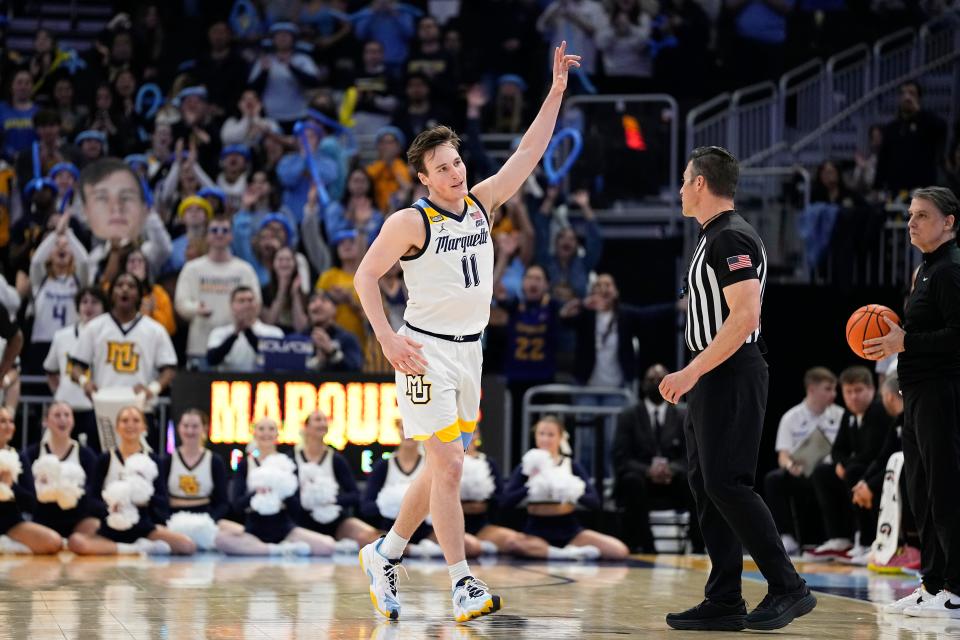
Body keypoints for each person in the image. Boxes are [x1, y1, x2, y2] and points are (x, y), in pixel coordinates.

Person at [352, 41, 581, 623]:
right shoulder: (410, 221)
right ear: (424, 178)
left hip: (471, 353)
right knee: (450, 467)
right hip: (424, 354)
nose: (456, 172)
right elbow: (365, 277)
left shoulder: (482, 203)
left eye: (458, 162)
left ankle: (385, 554)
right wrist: (387, 337)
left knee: (439, 467)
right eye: (444, 167)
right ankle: (461, 583)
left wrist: (554, 91)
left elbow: (530, 150)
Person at [659, 146, 814, 631]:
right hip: (715, 372)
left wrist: (690, 372)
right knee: (707, 486)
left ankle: (789, 587)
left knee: (728, 482)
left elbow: (746, 315)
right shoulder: (714, 237)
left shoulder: (730, 237)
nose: (681, 189)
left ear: (701, 184)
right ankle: (725, 597)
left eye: (686, 180)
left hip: (731, 370)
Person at [864, 186, 960, 618]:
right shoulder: (925, 270)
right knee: (921, 490)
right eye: (910, 214)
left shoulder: (950, 271)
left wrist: (908, 341)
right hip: (917, 392)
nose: (911, 222)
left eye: (922, 214)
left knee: (945, 491)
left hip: (943, 393)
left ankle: (956, 589)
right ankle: (933, 584)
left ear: (949, 223)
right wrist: (895, 343)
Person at [70, 273, 178, 451]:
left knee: (141, 468)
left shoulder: (154, 330)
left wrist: (153, 389)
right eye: (120, 285)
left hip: (141, 409)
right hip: (103, 409)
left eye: (131, 286)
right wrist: (85, 382)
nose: (125, 289)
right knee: (102, 468)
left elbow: (170, 369)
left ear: (140, 294)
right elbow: (76, 366)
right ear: (111, 293)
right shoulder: (95, 327)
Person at [67, 406, 196, 556]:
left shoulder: (153, 460)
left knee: (187, 545)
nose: (130, 425)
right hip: (111, 526)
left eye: (136, 420)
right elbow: (92, 499)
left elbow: (162, 501)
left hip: (143, 527)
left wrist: (143, 499)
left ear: (144, 427)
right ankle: (134, 549)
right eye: (124, 421)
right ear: (117, 427)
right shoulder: (105, 459)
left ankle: (132, 545)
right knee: (76, 542)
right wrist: (112, 506)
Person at [502, 416, 629, 560]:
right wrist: (529, 486)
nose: (545, 439)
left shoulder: (570, 465)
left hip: (569, 529)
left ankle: (558, 552)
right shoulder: (527, 466)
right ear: (535, 436)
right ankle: (566, 554)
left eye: (550, 435)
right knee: (513, 544)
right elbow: (505, 501)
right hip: (536, 530)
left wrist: (573, 490)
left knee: (619, 550)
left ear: (560, 437)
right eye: (541, 434)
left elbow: (595, 502)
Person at [216, 417, 335, 556]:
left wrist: (283, 491)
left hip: (283, 527)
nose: (266, 433)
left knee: (328, 547)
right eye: (261, 429)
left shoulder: (287, 462)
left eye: (271, 429)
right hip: (254, 528)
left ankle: (276, 546)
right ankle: (274, 550)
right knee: (221, 540)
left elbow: (297, 508)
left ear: (277, 435)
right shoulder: (245, 464)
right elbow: (237, 505)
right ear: (254, 434)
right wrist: (256, 494)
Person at [613, 364, 698, 554]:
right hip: (641, 480)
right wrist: (647, 471)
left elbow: (690, 455)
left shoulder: (682, 415)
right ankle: (646, 546)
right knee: (631, 481)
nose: (656, 383)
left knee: (694, 481)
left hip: (674, 481)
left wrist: (672, 469)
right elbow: (621, 457)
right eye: (651, 380)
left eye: (661, 379)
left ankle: (698, 545)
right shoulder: (629, 416)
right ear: (643, 385)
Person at [806, 366, 887, 563]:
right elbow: (837, 450)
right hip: (856, 468)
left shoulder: (878, 411)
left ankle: (866, 540)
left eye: (858, 390)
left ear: (872, 389)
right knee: (821, 473)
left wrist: (846, 464)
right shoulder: (849, 415)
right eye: (848, 392)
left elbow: (871, 453)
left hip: (877, 471)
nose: (853, 397)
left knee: (853, 471)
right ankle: (839, 537)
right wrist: (841, 463)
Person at [764, 367, 844, 554]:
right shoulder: (791, 418)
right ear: (811, 390)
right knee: (774, 479)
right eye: (828, 389)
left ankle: (840, 538)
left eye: (834, 389)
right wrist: (791, 465)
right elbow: (783, 455)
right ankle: (787, 536)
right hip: (802, 474)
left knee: (827, 474)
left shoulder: (840, 415)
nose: (833, 394)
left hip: (831, 474)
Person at [174, 215, 261, 370]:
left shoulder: (244, 269)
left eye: (224, 230)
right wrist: (195, 309)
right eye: (214, 230)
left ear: (231, 236)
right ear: (207, 236)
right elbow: (181, 303)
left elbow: (257, 303)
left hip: (237, 348)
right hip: (200, 346)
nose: (219, 234)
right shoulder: (192, 268)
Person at [292, 410, 380, 548]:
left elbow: (355, 495)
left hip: (334, 521)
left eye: (324, 420)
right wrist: (306, 499)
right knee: (322, 545)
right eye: (317, 420)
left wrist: (331, 499)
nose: (322, 423)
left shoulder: (336, 459)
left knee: (372, 535)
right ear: (306, 427)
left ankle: (410, 549)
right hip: (302, 521)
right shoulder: (292, 458)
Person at [18, 402, 99, 540]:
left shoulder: (86, 454)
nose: (62, 419)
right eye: (57, 415)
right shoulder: (32, 453)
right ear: (45, 421)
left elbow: (94, 490)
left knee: (95, 527)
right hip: (42, 520)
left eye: (67, 415)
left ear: (73, 420)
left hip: (77, 520)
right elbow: (25, 492)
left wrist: (72, 493)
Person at [43, 287, 106, 451]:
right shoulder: (61, 336)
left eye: (94, 302)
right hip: (66, 406)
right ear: (77, 307)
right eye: (84, 302)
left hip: (95, 408)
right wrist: (60, 391)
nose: (88, 306)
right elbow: (50, 369)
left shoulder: (108, 335)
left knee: (93, 457)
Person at [0, 406, 63, 554]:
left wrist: (11, 486)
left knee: (53, 542)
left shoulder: (20, 456)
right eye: (2, 421)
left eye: (11, 421)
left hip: (10, 523)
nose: (8, 426)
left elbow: (31, 503)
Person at [162, 410, 232, 524]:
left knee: (238, 533)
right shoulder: (167, 461)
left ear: (204, 428)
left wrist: (208, 522)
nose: (190, 431)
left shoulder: (214, 461)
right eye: (186, 426)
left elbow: (223, 503)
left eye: (195, 426)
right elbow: (160, 500)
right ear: (179, 428)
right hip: (174, 520)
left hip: (205, 519)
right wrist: (169, 521)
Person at [206, 286, 284, 372]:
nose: (247, 305)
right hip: (229, 382)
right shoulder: (219, 332)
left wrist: (248, 332)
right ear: (232, 305)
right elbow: (212, 360)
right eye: (241, 301)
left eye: (250, 300)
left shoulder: (273, 332)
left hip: (263, 383)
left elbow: (274, 361)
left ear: (258, 305)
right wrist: (234, 335)